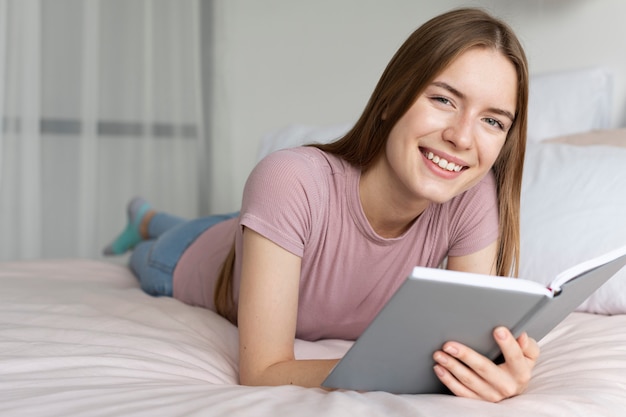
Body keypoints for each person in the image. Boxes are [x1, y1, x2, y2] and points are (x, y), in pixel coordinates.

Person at [104, 7, 538, 402]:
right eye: (443, 99)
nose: (462, 138)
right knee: (158, 248)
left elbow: (465, 345)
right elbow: (262, 371)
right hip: (191, 254)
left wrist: (494, 371)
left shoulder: (471, 196)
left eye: (492, 121)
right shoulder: (289, 178)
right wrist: (412, 373)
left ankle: (152, 218)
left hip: (273, 229)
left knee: (238, 224)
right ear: (391, 99)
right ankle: (145, 223)